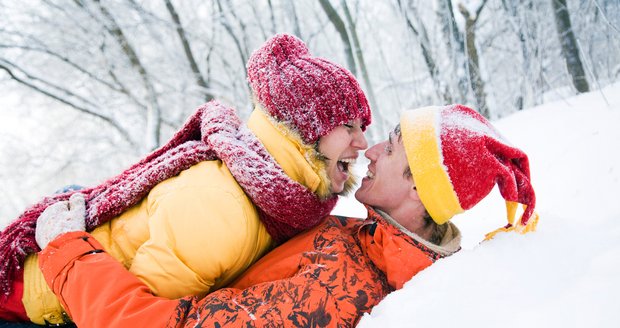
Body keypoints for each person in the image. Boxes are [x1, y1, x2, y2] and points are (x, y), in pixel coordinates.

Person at [32, 104, 538, 327]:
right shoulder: (363, 235)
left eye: (395, 146)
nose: (374, 147)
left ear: (416, 188)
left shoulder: (337, 291)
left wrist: (67, 251)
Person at [0, 33, 371, 325]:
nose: (362, 142)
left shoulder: (277, 200)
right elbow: (128, 315)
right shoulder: (221, 206)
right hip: (34, 296)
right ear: (306, 127)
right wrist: (64, 245)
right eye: (348, 126)